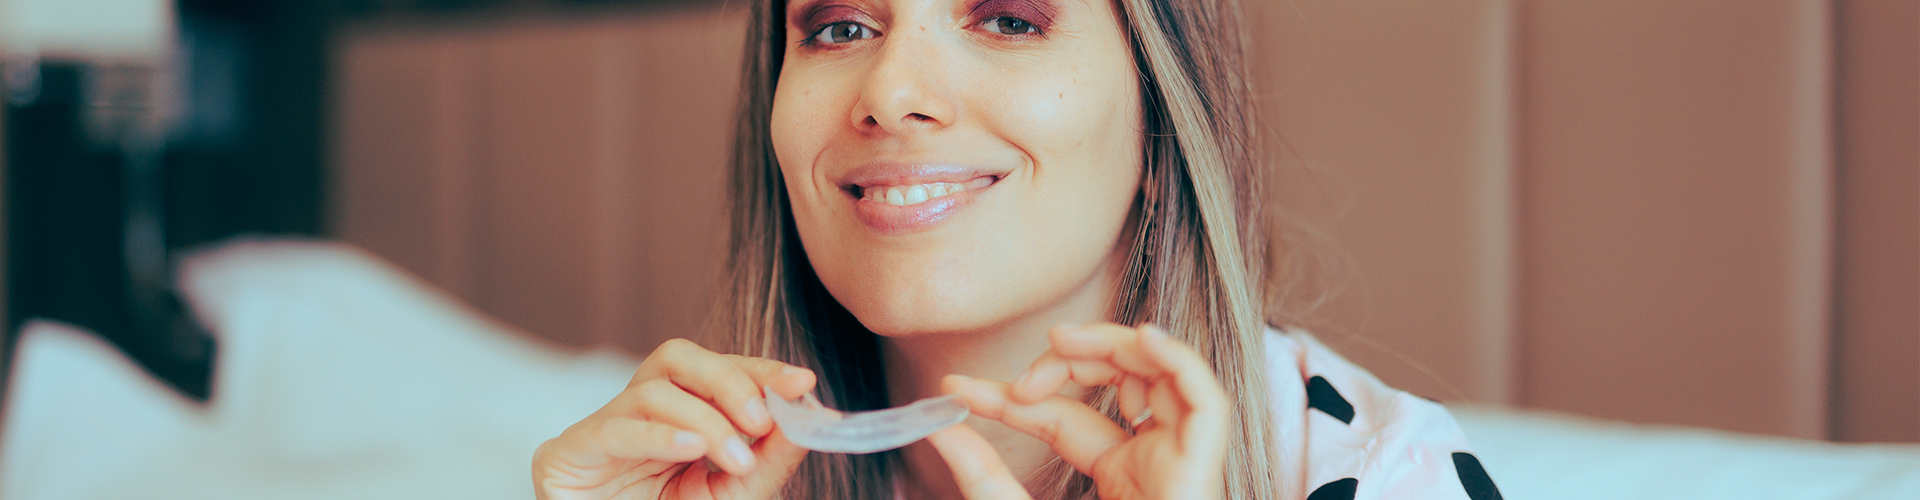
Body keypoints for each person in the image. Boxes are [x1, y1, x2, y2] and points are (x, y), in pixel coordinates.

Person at [532, 0, 1501, 498]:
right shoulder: (690, 482)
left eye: (1008, 18)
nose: (890, 90)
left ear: (1163, 120)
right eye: (838, 26)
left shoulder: (1379, 473)